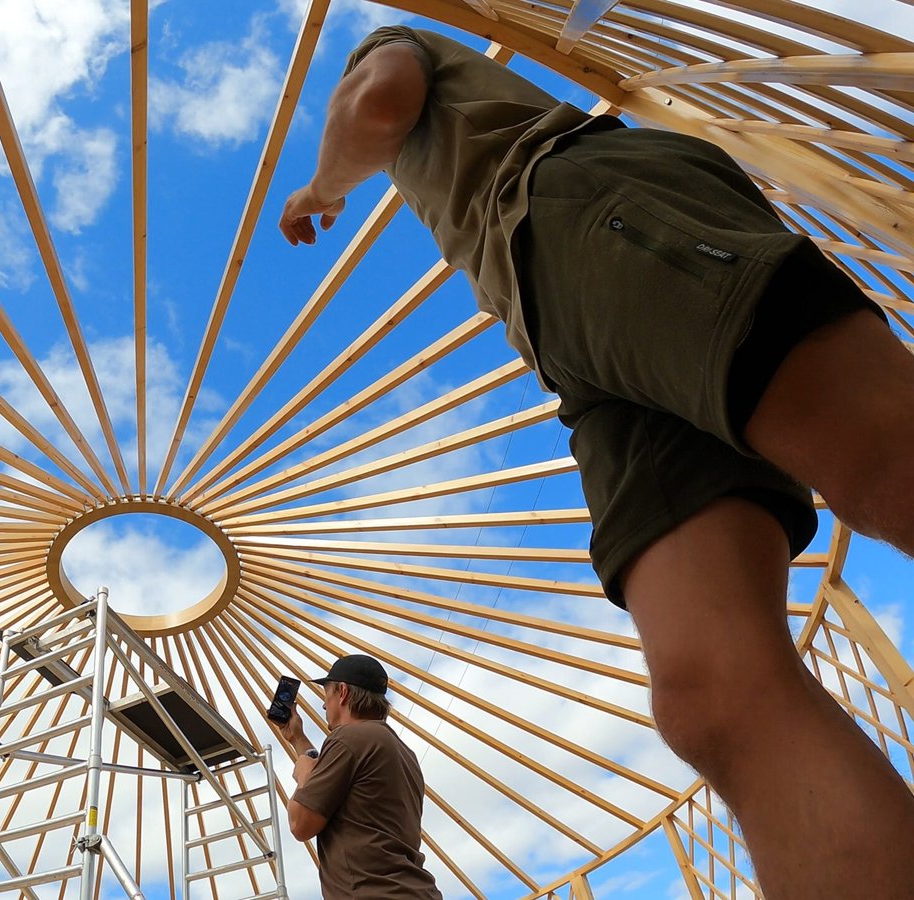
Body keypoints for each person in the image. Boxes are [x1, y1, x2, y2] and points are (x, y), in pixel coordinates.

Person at [279, 25, 914, 897]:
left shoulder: (389, 48)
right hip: (563, 333)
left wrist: (320, 184)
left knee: (888, 462)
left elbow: (381, 97)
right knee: (707, 695)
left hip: (578, 209)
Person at [269, 654, 441, 899]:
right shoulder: (401, 751)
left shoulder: (347, 739)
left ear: (343, 692)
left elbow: (300, 825)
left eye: (326, 696)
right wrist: (297, 739)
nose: (324, 706)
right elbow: (334, 781)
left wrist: (305, 775)